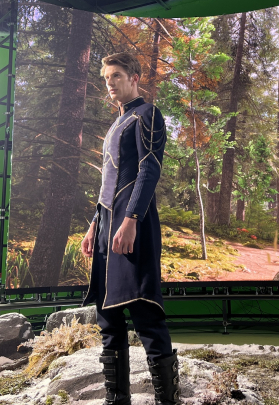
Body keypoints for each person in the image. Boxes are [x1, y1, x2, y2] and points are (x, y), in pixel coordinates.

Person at [81, 52, 179, 405]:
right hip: (108, 226)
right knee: (107, 315)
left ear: (134, 78)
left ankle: (168, 401)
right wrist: (94, 225)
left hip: (132, 224)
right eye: (107, 78)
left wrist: (131, 219)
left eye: (117, 76)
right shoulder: (117, 123)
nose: (110, 83)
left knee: (144, 312)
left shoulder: (147, 114)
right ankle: (116, 400)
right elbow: (108, 181)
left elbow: (149, 169)